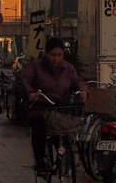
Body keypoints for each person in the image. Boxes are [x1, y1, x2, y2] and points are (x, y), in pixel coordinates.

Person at [17, 37, 86, 173]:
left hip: (60, 107)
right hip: (41, 106)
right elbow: (23, 80)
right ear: (46, 53)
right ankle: (40, 160)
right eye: (53, 55)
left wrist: (83, 90)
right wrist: (30, 93)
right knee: (39, 128)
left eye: (59, 55)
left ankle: (63, 154)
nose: (56, 59)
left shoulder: (68, 67)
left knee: (65, 129)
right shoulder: (35, 66)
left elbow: (77, 81)